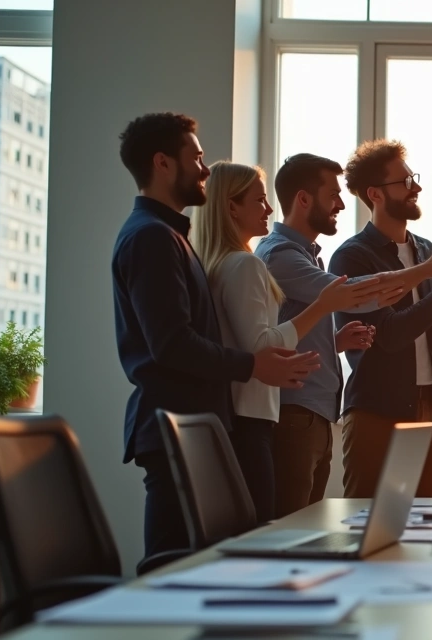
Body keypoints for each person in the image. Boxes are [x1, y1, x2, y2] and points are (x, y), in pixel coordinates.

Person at [112, 113, 319, 561]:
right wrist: (253, 365)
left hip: (189, 426)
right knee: (171, 569)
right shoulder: (152, 238)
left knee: (197, 565)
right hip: (174, 426)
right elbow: (172, 344)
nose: (205, 169)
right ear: (163, 163)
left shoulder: (170, 237)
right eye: (197, 158)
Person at [191, 161, 392, 522]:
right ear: (232, 207)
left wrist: (332, 341)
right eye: (259, 200)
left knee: (288, 527)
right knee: (288, 530)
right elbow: (261, 347)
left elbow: (249, 341)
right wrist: (323, 306)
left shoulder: (226, 263)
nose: (269, 208)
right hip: (267, 415)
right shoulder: (249, 263)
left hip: (265, 414)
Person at [255, 153, 432, 518]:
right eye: (333, 195)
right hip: (297, 416)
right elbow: (353, 294)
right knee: (292, 528)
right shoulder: (282, 255)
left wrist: (335, 343)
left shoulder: (307, 255)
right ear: (304, 199)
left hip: (316, 414)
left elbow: (293, 331)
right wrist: (430, 271)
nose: (340, 204)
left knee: (308, 526)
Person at [331, 139, 432, 499]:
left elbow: (423, 324)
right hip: (376, 410)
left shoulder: (425, 249)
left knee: (422, 517)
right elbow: (388, 335)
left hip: (429, 404)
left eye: (414, 178)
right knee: (364, 517)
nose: (416, 188)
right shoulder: (352, 258)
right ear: (375, 194)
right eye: (405, 181)